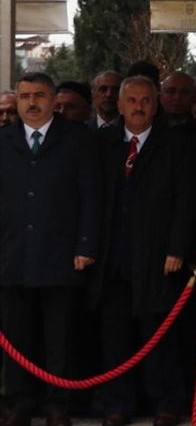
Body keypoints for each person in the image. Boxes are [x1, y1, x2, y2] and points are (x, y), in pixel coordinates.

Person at [90, 75, 196, 426]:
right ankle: (117, 404)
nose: (138, 106)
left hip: (158, 256)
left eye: (146, 100)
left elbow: (186, 201)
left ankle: (166, 403)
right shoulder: (101, 143)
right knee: (115, 335)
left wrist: (178, 247)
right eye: (132, 100)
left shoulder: (176, 144)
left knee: (159, 336)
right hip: (112, 256)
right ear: (119, 106)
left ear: (157, 104)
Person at [0, 73, 101, 426]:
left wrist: (86, 244)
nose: (31, 103)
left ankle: (57, 402)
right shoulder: (4, 140)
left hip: (61, 254)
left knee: (59, 337)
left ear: (53, 98)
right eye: (25, 96)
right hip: (13, 254)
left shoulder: (77, 139)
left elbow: (91, 196)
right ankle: (19, 401)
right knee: (17, 335)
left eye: (39, 95)